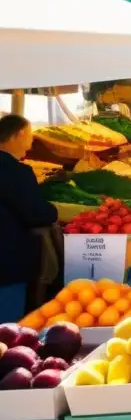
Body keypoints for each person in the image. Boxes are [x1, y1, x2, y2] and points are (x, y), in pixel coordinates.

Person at [0, 115, 58, 322]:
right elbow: (36, 214)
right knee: (7, 328)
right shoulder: (16, 172)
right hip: (6, 263)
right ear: (18, 135)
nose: (32, 141)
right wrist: (53, 210)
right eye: (30, 134)